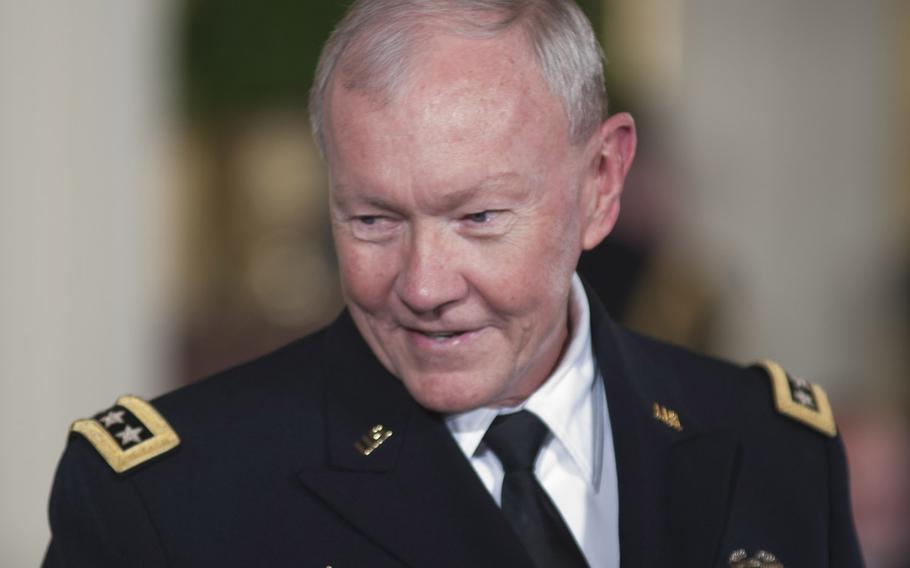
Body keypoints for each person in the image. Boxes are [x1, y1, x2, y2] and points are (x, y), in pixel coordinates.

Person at [43, 1, 863, 566]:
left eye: (478, 218)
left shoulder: (775, 450)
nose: (425, 286)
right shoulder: (168, 502)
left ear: (602, 184)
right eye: (372, 220)